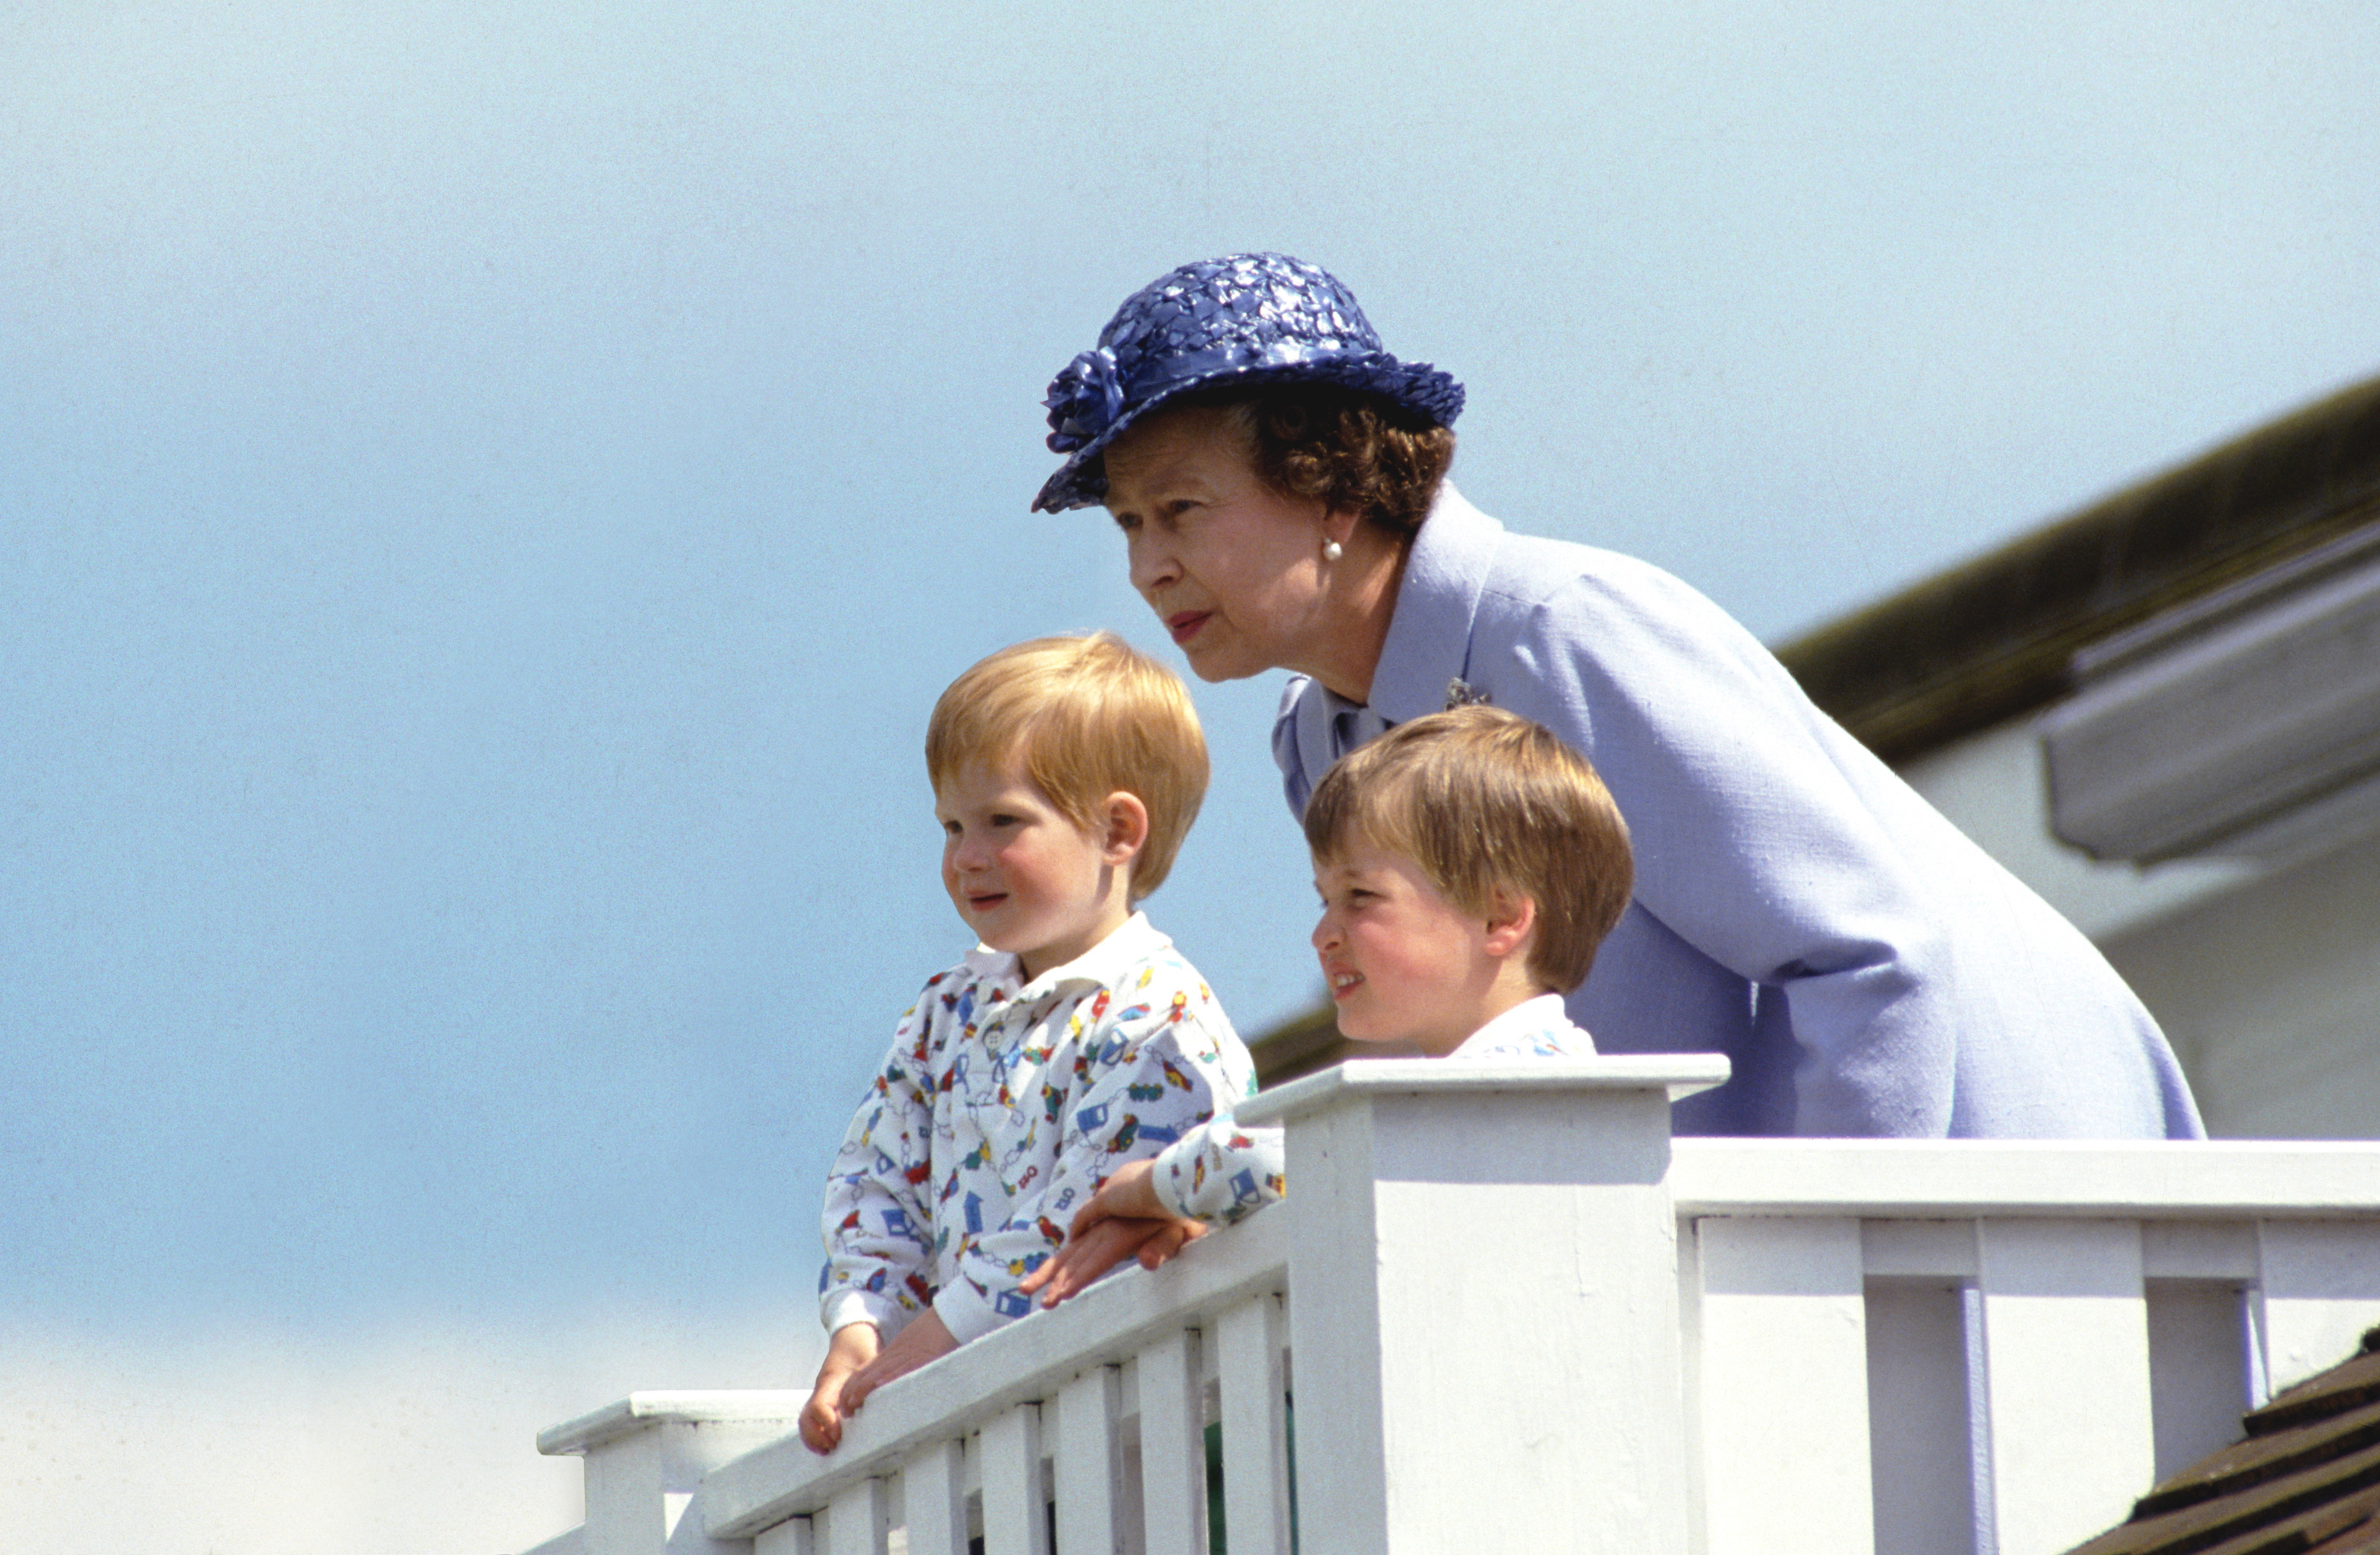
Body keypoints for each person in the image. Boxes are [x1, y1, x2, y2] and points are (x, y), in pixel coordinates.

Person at [1029, 252, 2203, 1141]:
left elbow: (1866, 956)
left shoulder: (1560, 629)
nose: (1146, 567)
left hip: (2013, 1200)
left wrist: (1805, 1288)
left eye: (1179, 510)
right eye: (1129, 523)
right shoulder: (1319, 735)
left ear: (1329, 483)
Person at [799, 634, 1256, 1454]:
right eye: (950, 824)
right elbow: (877, 1170)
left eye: (1002, 820)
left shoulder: (1160, 1018)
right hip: (981, 1436)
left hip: (1127, 1428)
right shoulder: (946, 1010)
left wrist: (930, 1341)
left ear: (1118, 830)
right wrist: (863, 1324)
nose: (965, 857)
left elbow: (1085, 1210)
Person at [1021, 704, 1633, 1304]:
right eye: (1324, 902)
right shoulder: (1476, 1093)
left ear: (1500, 917)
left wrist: (1149, 1187)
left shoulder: (1524, 1079)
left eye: (1361, 897)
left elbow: (1280, 1154)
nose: (1324, 936)